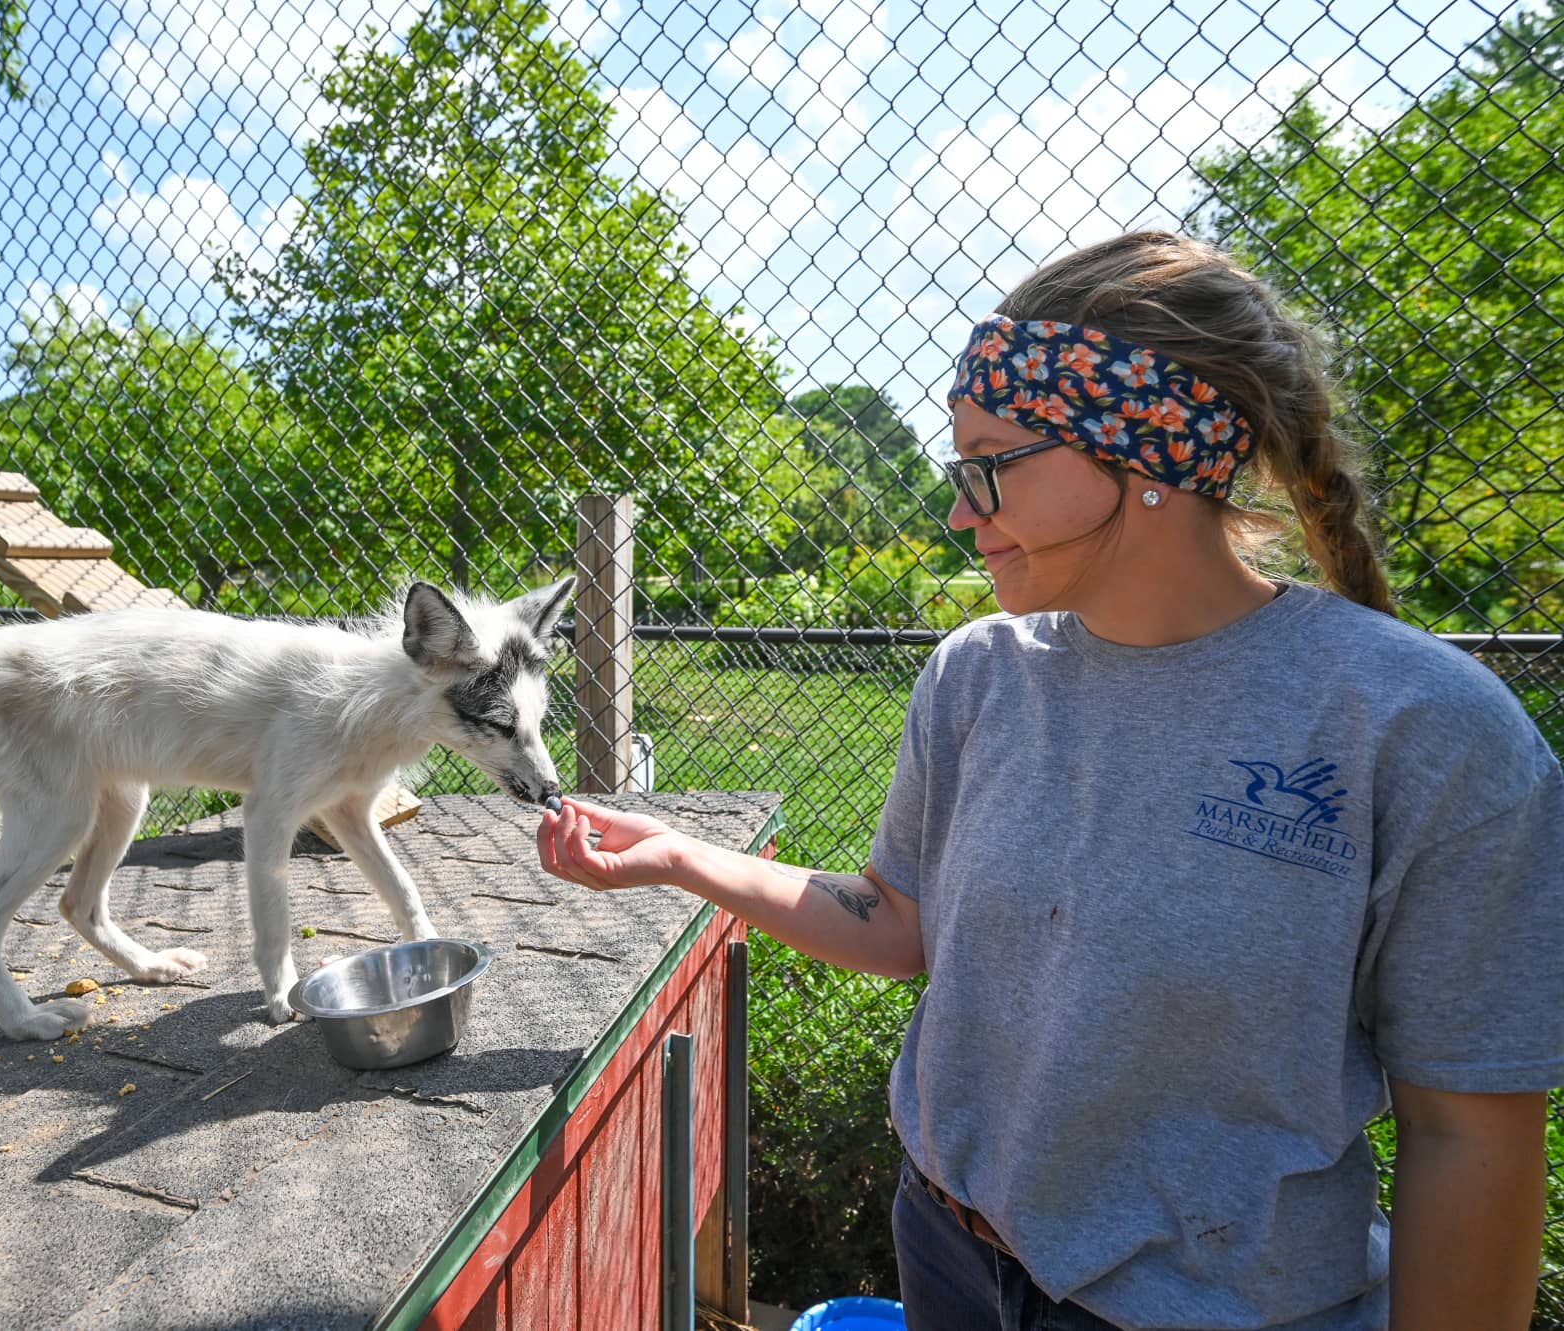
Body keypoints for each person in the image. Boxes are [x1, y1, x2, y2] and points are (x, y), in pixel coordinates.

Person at [536, 230, 1564, 1331]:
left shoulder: (1420, 729)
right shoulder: (976, 676)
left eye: (989, 463)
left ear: (1145, 450)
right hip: (947, 1249)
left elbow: (1471, 1132)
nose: (957, 511)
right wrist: (677, 856)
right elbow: (897, 922)